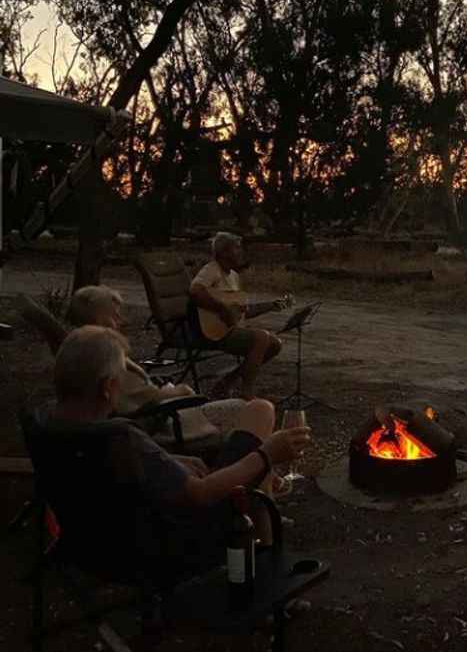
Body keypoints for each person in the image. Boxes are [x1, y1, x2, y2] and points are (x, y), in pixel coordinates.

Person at [44, 326, 310, 573]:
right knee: (259, 427)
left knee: (258, 415)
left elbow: (137, 469)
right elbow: (201, 495)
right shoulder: (120, 437)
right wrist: (267, 455)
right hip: (175, 544)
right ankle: (265, 577)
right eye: (119, 381)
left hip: (92, 544)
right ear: (106, 389)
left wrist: (168, 458)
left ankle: (265, 566)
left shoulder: (49, 425)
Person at [68, 285, 292, 497]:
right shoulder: (104, 359)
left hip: (164, 416)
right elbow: (139, 403)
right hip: (169, 421)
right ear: (96, 318)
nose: (121, 320)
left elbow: (135, 395)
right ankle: (259, 492)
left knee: (251, 413)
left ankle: (266, 482)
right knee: (253, 410)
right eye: (114, 315)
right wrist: (178, 391)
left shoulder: (80, 350)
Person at [190, 232, 282, 399]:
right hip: (213, 333)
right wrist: (222, 308)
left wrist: (273, 306)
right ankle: (246, 393)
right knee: (261, 338)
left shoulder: (234, 276)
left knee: (275, 344)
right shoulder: (212, 270)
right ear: (224, 252)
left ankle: (226, 382)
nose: (240, 252)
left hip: (229, 328)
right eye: (236, 248)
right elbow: (195, 290)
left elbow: (240, 312)